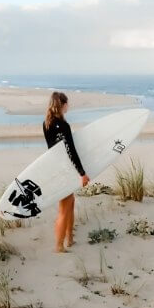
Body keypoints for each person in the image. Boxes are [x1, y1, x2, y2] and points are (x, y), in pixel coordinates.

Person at [43, 92, 90, 252]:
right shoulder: (63, 126)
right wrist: (82, 173)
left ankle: (69, 239)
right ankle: (58, 246)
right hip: (64, 170)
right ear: (62, 104)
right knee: (64, 208)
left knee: (70, 203)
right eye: (67, 103)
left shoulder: (47, 123)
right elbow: (71, 151)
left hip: (56, 168)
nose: (68, 106)